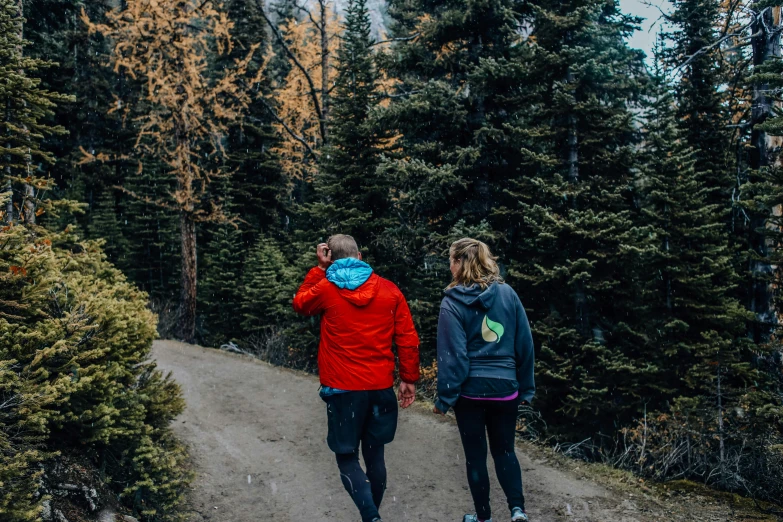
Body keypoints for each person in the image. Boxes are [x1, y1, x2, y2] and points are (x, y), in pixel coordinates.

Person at [292, 234, 420, 522]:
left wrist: (319, 269)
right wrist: (408, 378)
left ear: (331, 258)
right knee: (375, 456)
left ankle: (370, 516)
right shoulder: (389, 290)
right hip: (379, 387)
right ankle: (371, 515)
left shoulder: (325, 288)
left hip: (342, 390)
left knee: (347, 457)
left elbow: (300, 303)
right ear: (360, 257)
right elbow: (408, 338)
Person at [433, 238, 535, 522]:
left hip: (471, 394)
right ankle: (518, 511)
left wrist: (445, 398)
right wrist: (526, 387)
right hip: (506, 389)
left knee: (476, 457)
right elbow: (524, 345)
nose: (449, 265)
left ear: (459, 263)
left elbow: (452, 356)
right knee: (505, 451)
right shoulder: (508, 294)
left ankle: (484, 517)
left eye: (451, 260)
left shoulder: (452, 301)